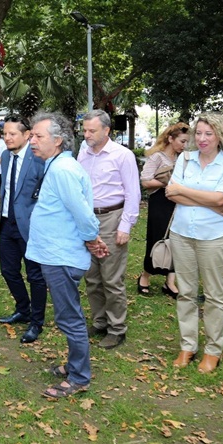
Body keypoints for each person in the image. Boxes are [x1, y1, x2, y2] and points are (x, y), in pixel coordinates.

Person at [24, 112, 108, 398]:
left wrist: (92, 238)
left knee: (69, 318)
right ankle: (74, 365)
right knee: (67, 315)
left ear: (57, 140)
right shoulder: (57, 165)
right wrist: (92, 240)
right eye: (32, 135)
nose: (32, 140)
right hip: (56, 252)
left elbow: (83, 213)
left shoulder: (62, 170)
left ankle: (80, 377)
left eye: (38, 136)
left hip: (61, 255)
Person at [166, 113, 223, 373]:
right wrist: (208, 199)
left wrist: (184, 192)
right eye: (198, 133)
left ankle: (213, 351)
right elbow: (170, 192)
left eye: (208, 134)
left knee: (215, 295)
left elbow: (222, 200)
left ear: (220, 136)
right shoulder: (185, 160)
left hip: (214, 238)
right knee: (185, 293)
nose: (202, 139)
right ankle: (188, 345)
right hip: (182, 234)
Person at [77, 110, 140, 350]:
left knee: (111, 278)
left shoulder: (122, 155)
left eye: (91, 130)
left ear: (106, 130)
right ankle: (100, 321)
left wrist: (125, 226)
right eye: (84, 130)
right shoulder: (83, 153)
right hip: (88, 220)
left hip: (112, 217)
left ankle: (117, 328)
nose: (87, 134)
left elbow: (133, 192)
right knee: (92, 276)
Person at [0, 116, 47, 344]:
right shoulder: (6, 156)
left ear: (26, 135)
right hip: (7, 223)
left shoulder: (38, 158)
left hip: (31, 227)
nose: (7, 138)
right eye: (5, 133)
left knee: (35, 275)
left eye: (12, 134)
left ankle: (36, 321)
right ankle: (23, 309)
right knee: (8, 270)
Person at [138, 123, 189, 298]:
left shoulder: (183, 159)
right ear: (170, 138)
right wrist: (168, 182)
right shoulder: (157, 157)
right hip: (160, 202)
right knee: (157, 238)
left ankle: (170, 282)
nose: (184, 145)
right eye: (182, 141)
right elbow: (145, 181)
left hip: (179, 203)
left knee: (176, 240)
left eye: (187, 142)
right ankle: (145, 276)